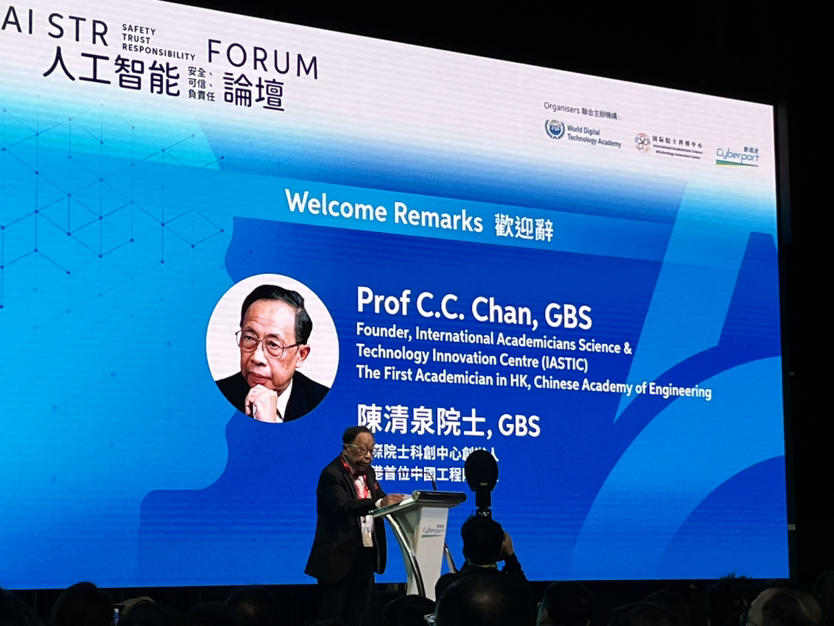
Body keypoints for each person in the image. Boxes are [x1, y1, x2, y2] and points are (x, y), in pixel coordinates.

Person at [305, 426, 405, 626]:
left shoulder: (369, 472)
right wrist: (379, 503)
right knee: (333, 618)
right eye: (363, 450)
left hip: (364, 554)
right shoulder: (331, 474)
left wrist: (400, 502)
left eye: (371, 450)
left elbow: (380, 497)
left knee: (360, 616)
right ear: (346, 449)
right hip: (338, 558)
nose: (368, 456)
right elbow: (344, 506)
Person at [215, 284, 329, 422]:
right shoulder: (214, 396)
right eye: (249, 338)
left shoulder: (325, 403)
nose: (257, 357)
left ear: (301, 355)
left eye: (273, 345)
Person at [435, 515, 526, 599]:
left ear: (464, 552)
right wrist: (510, 557)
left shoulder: (447, 585)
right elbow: (526, 592)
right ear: (501, 551)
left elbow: (465, 576)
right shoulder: (514, 587)